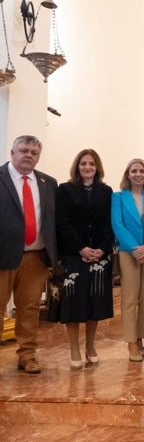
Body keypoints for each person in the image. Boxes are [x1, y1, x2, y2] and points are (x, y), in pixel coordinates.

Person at [0, 135, 57, 374]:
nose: (28, 155)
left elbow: (53, 220)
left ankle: (27, 355)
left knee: (29, 308)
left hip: (35, 257)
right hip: (2, 257)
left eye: (34, 152)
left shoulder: (47, 182)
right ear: (12, 153)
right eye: (24, 150)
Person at [55, 149, 115, 369]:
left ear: (97, 167)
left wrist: (102, 249)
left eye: (91, 163)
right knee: (74, 303)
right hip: (74, 255)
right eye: (83, 164)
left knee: (95, 302)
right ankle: (74, 347)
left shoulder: (106, 191)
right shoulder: (65, 189)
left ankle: (90, 345)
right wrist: (81, 248)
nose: (87, 167)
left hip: (99, 256)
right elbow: (62, 222)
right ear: (77, 166)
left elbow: (111, 222)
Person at [111, 158, 144, 362]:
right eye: (134, 171)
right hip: (128, 252)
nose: (138, 174)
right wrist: (135, 248)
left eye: (142, 171)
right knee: (130, 298)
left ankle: (140, 337)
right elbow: (118, 224)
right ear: (128, 174)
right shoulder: (118, 197)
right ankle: (131, 342)